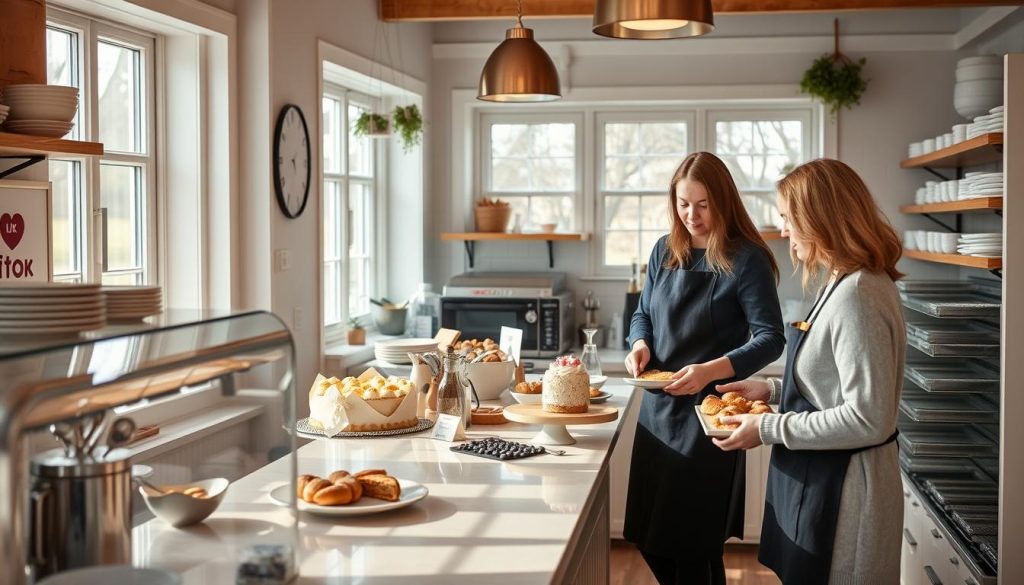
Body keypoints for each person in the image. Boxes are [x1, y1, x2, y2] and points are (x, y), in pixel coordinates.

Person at [714, 158, 906, 585]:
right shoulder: (841, 282)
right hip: (821, 480)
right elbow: (832, 386)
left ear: (819, 219)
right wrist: (771, 390)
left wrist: (767, 428)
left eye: (788, 218)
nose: (782, 231)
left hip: (848, 497)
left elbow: (867, 419)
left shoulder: (859, 295)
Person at [623, 151, 785, 585]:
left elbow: (770, 338)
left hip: (709, 416)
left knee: (692, 544)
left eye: (702, 204)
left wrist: (709, 372)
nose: (691, 215)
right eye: (682, 203)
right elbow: (642, 314)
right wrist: (639, 343)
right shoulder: (664, 250)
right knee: (652, 540)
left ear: (724, 201)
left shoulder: (746, 258)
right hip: (657, 414)